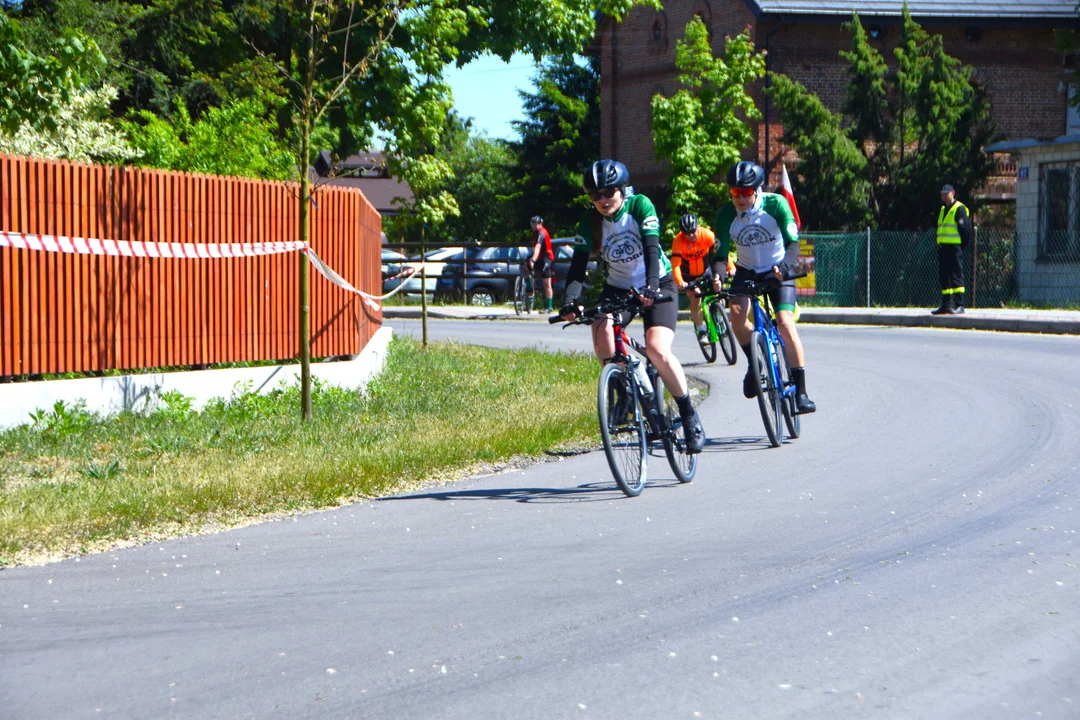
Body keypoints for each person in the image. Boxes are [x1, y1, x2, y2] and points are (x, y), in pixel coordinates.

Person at [559, 159, 706, 454]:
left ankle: (689, 415)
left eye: (608, 192)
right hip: (619, 286)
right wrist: (569, 302)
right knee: (601, 328)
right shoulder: (589, 222)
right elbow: (577, 268)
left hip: (658, 281)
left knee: (657, 349)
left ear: (622, 189)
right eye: (595, 195)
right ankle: (622, 394)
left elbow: (652, 249)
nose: (602, 200)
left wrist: (652, 286)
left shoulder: (639, 206)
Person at [713, 160, 816, 414]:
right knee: (736, 316)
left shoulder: (775, 204)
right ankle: (754, 362)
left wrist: (784, 267)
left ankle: (801, 393)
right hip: (747, 270)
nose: (740, 198)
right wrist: (716, 277)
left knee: (784, 321)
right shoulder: (725, 215)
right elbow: (719, 255)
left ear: (757, 190)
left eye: (746, 192)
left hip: (778, 267)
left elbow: (793, 244)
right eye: (735, 192)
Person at [669, 212, 723, 347]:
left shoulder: (707, 235)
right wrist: (679, 281)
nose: (691, 235)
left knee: (718, 290)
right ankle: (701, 331)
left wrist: (729, 268)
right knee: (695, 297)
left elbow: (720, 255)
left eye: (693, 231)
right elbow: (675, 264)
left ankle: (720, 318)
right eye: (687, 233)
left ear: (698, 227)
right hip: (688, 276)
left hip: (706, 271)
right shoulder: (678, 241)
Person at [932, 184, 971, 315]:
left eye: (946, 193)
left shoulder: (959, 209)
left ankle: (960, 305)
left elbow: (965, 230)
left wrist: (960, 246)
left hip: (954, 248)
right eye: (942, 194)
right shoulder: (943, 209)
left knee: (956, 276)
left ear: (953, 193)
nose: (944, 196)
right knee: (944, 276)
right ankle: (946, 305)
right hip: (943, 248)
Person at [528, 215, 555, 312]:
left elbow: (538, 247)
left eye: (535, 224)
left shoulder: (541, 233)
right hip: (539, 257)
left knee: (546, 283)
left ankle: (549, 306)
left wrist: (533, 260)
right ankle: (528, 290)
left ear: (540, 224)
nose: (533, 226)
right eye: (532, 224)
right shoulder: (536, 233)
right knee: (524, 266)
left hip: (546, 258)